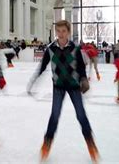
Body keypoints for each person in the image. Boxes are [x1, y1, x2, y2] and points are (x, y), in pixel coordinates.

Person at [27, 20, 99, 162]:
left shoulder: (75, 48)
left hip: (74, 86)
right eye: (58, 31)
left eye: (63, 31)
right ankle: (47, 143)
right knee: (54, 115)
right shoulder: (50, 49)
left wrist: (84, 79)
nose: (60, 34)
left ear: (68, 32)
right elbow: (42, 67)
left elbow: (81, 68)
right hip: (58, 86)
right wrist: (33, 81)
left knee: (81, 115)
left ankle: (90, 143)